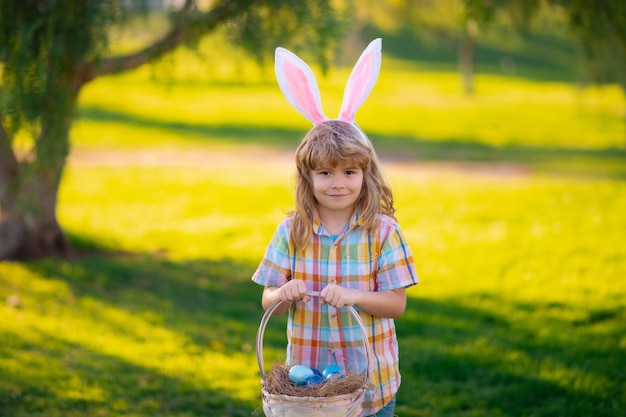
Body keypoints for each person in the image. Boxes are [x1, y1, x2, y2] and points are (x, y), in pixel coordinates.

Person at [252, 39, 419, 417]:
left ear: (366, 173)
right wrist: (283, 293)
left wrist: (354, 296)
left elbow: (396, 304)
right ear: (307, 177)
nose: (337, 183)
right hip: (306, 393)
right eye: (325, 173)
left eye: (349, 172)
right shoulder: (291, 231)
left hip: (371, 386)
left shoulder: (383, 232)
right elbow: (267, 300)